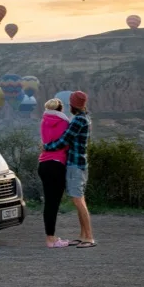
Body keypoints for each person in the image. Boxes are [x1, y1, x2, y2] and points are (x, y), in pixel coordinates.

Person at [43, 90, 95, 248]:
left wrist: (46, 147)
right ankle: (82, 235)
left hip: (75, 164)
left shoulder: (78, 120)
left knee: (78, 200)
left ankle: (89, 238)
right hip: (79, 164)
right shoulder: (84, 118)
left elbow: (64, 141)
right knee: (80, 199)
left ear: (73, 105)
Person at [38, 98, 70, 248]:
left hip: (43, 163)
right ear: (61, 109)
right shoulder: (64, 122)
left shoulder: (44, 121)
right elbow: (66, 143)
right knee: (53, 204)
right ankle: (51, 239)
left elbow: (45, 143)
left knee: (49, 203)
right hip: (56, 164)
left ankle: (50, 236)